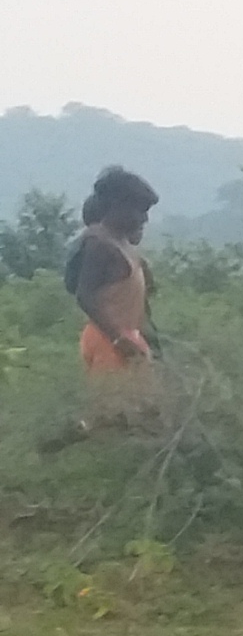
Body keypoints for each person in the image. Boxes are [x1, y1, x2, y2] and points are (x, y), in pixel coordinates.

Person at [59, 166, 155, 439]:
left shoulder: (120, 241)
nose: (144, 218)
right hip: (108, 337)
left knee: (137, 409)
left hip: (126, 336)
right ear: (117, 206)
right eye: (139, 210)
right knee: (110, 414)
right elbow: (85, 295)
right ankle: (66, 445)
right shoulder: (99, 244)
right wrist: (117, 339)